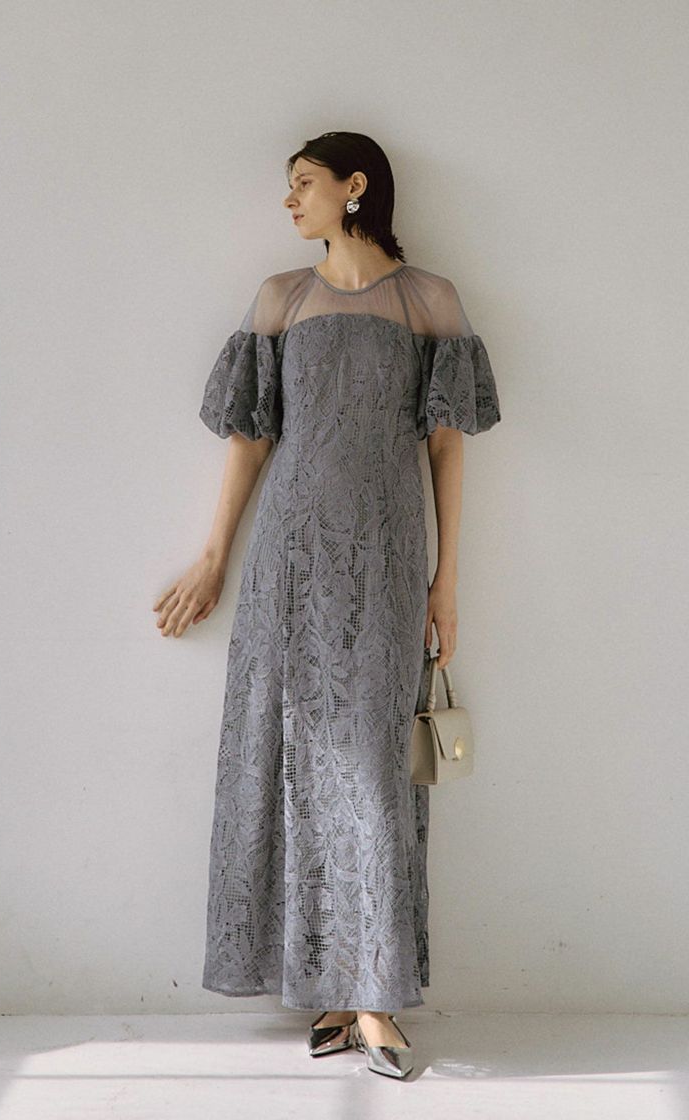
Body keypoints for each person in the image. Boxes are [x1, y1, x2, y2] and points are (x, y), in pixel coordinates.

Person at [152, 130, 501, 1080]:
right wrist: (215, 558)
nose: (288, 200)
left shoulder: (429, 300)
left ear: (355, 187)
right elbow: (252, 441)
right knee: (295, 766)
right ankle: (332, 991)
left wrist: (447, 581)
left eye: (302, 184)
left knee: (374, 774)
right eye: (288, 186)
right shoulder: (282, 298)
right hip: (289, 565)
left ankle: (373, 994)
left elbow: (446, 446)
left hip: (386, 560)